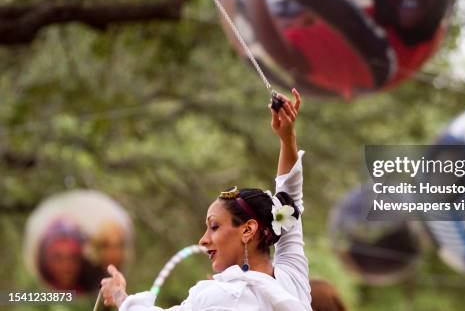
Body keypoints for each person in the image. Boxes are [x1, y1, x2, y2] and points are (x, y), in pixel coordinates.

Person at [100, 89, 312, 311]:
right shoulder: (292, 280)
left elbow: (290, 201)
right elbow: (290, 199)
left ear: (248, 230)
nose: (203, 240)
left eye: (214, 226)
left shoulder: (223, 296)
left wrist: (119, 295)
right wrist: (287, 138)